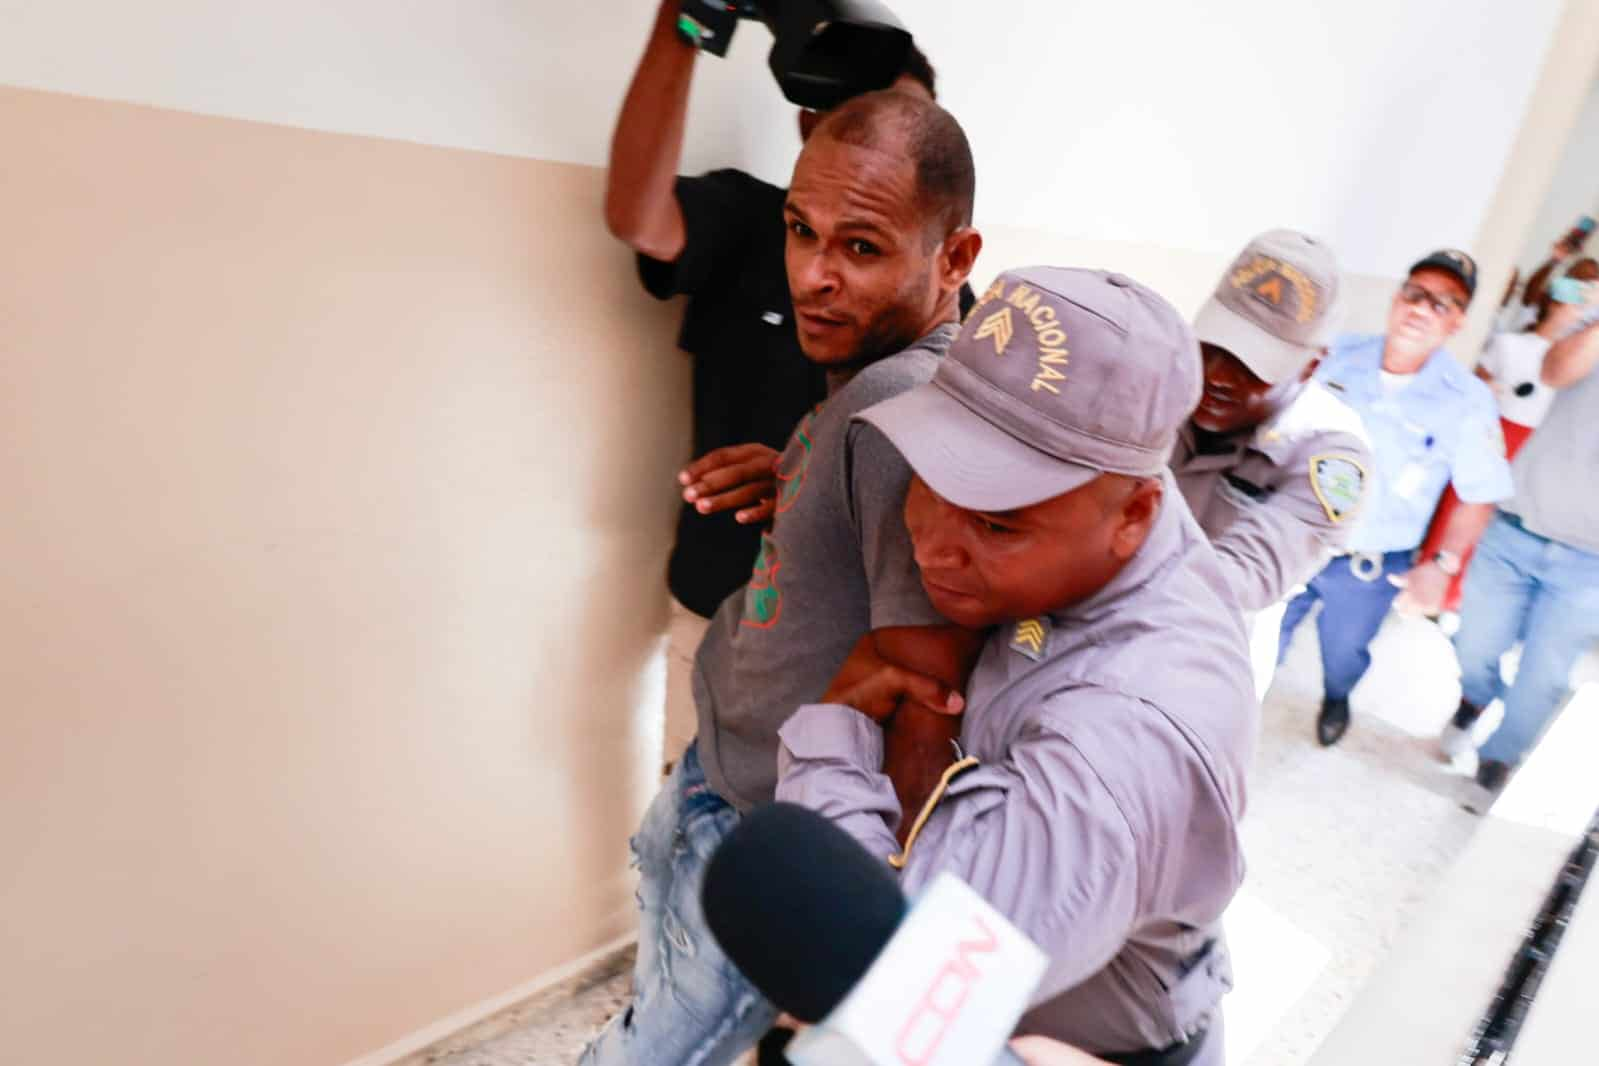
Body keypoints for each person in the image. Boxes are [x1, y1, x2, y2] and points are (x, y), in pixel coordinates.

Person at [580, 90, 984, 1066]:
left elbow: (924, 703)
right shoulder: (869, 388)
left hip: (759, 819)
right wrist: (801, 483)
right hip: (720, 776)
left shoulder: (904, 410)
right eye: (801, 231)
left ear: (955, 258)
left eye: (861, 247)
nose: (811, 275)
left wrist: (854, 930)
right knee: (650, 1019)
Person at [779, 267, 1257, 1066]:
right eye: (930, 473)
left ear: (1135, 514)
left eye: (997, 522)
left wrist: (832, 739)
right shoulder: (1112, 494)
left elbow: (872, 988)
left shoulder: (1122, 742)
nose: (931, 546)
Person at [606, 1, 957, 763]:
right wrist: (685, 24)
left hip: (859, 649)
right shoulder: (747, 222)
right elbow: (638, 215)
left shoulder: (948, 304)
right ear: (811, 123)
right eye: (860, 118)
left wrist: (814, 485)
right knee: (690, 819)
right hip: (722, 616)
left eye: (906, 127)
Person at [1276, 250, 1514, 746]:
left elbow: (1480, 496)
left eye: (1442, 303)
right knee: (1257, 638)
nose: (1422, 308)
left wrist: (1443, 565)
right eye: (1415, 293)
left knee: (1344, 651)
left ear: (1457, 322)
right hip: (1292, 533)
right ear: (1397, 297)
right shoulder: (1335, 354)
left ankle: (1336, 697)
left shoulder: (1466, 401)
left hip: (1368, 563)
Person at [1439, 310, 1599, 810]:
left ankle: (1499, 759)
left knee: (1543, 676)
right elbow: (1554, 371)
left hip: (1590, 565)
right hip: (1516, 527)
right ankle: (1476, 695)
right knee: (1474, 644)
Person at [1170, 230, 1372, 616]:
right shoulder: (1168, 375)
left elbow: (1238, 580)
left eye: (1250, 363)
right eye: (1213, 345)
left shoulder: (1332, 457)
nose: (1218, 376)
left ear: (1309, 368)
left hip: (1201, 633)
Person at [1417, 257, 1599, 618]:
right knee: (1462, 508)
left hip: (1536, 448)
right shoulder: (1510, 343)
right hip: (1496, 435)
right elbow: (1474, 388)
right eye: (1578, 288)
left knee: (1493, 526)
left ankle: (1460, 598)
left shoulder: (1585, 357)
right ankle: (1429, 582)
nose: (1583, 297)